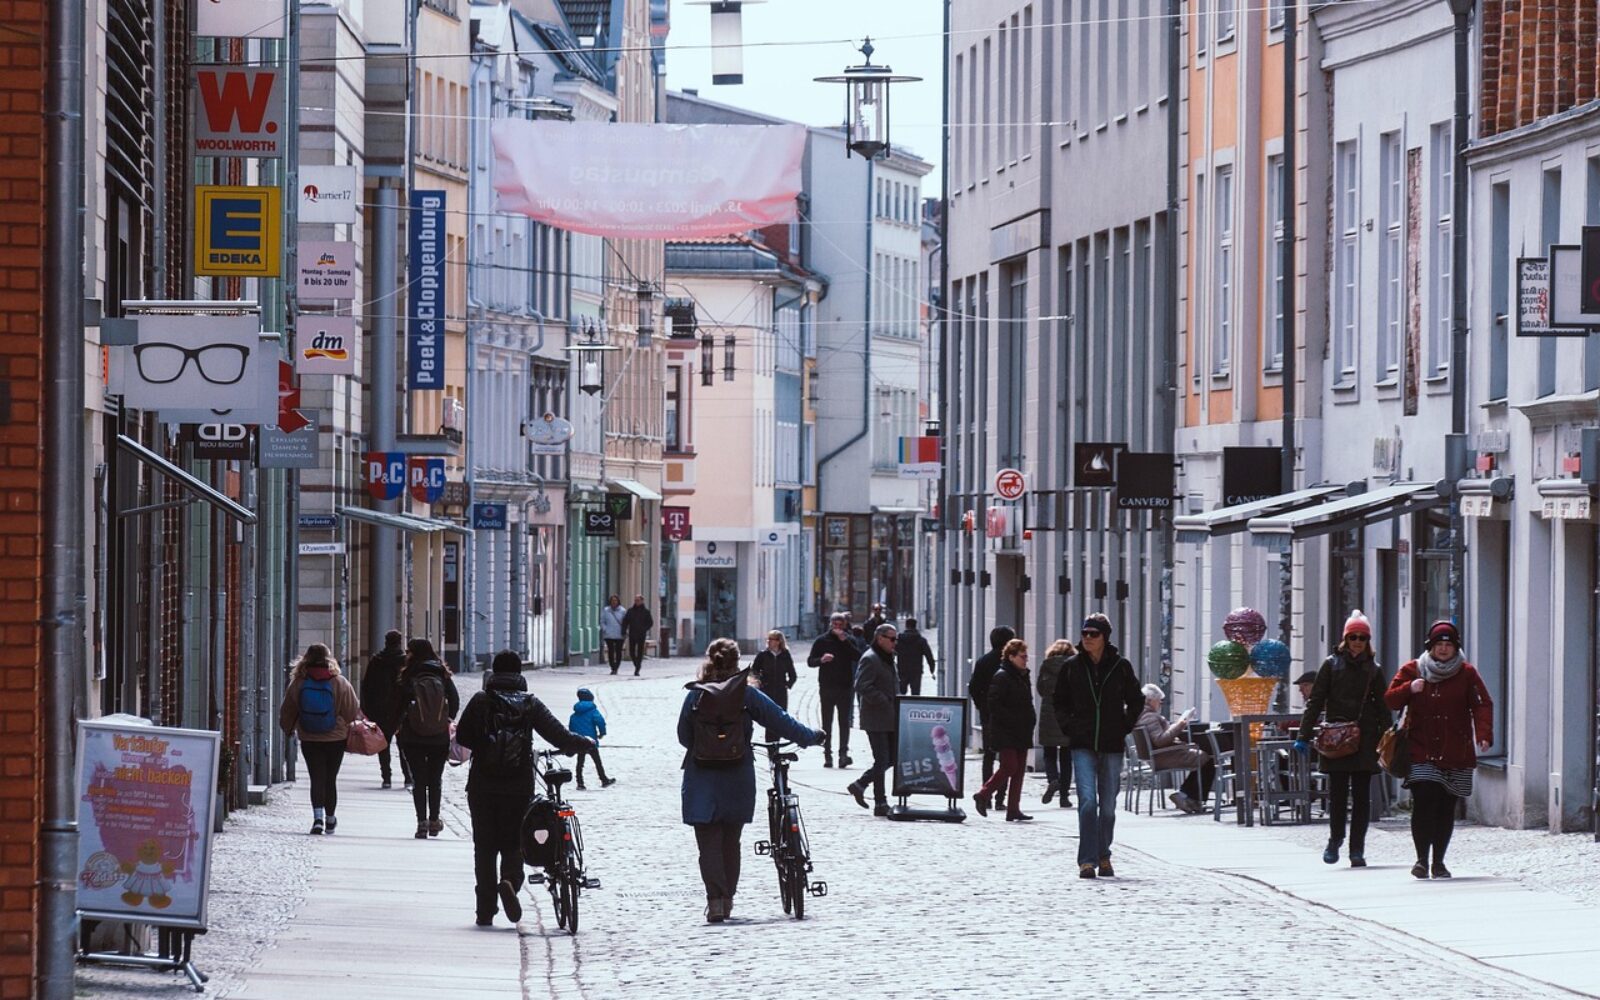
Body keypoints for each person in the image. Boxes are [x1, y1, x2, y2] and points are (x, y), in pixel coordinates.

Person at [679, 638, 824, 923]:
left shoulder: (695, 695)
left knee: (708, 844)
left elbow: (684, 737)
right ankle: (728, 899)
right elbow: (780, 721)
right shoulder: (745, 694)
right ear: (736, 662)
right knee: (731, 841)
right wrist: (810, 737)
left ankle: (715, 902)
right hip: (737, 774)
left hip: (701, 777)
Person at [454, 651, 593, 927]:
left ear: (493, 672)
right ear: (520, 674)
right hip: (518, 787)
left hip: (483, 786)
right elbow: (560, 736)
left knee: (484, 847)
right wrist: (584, 743)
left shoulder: (481, 701)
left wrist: (485, 742)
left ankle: (485, 910)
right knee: (513, 842)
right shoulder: (530, 704)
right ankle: (510, 882)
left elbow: (463, 738)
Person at [1385, 620, 1493, 880]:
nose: (1443, 650)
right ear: (1430, 647)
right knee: (1424, 802)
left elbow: (1482, 704)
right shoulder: (1413, 669)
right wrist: (1409, 688)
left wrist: (1484, 734)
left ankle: (1439, 861)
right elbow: (1390, 698)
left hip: (1456, 749)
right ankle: (1421, 859)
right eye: (1439, 645)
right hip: (1421, 748)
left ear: (1456, 648)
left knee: (1446, 806)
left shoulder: (1467, 673)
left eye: (1448, 645)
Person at [1293, 611, 1391, 867]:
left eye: (1362, 637)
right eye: (1353, 637)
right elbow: (1315, 701)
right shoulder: (1331, 664)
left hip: (1365, 738)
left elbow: (1383, 706)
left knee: (1361, 797)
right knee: (1336, 795)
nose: (1357, 642)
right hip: (1335, 738)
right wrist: (1304, 735)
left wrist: (1389, 739)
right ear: (1345, 639)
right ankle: (1335, 840)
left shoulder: (1374, 669)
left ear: (1367, 640)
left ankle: (1356, 849)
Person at [1054, 613, 1143, 879]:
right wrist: (1069, 727)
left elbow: (1136, 700)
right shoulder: (1071, 666)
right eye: (1085, 634)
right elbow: (1058, 702)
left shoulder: (1120, 666)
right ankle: (1087, 861)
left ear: (1105, 637)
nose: (1088, 638)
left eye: (1094, 634)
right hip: (1081, 743)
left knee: (1107, 807)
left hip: (1111, 743)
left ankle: (1104, 854)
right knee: (1087, 802)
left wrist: (1123, 725)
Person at [279, 643, 360, 835]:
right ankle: (331, 819)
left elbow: (288, 709)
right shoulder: (339, 682)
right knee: (330, 779)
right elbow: (351, 710)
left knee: (316, 777)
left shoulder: (299, 682)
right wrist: (343, 723)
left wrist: (288, 728)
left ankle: (317, 819)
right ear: (329, 658)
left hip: (309, 736)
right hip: (335, 738)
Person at [397, 638, 461, 839]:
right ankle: (434, 820)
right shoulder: (441, 673)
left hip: (413, 736)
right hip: (438, 736)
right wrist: (446, 719)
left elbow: (399, 702)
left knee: (419, 780)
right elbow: (455, 699)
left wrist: (400, 724)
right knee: (435, 779)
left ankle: (421, 823)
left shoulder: (409, 674)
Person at [972, 638, 1038, 821]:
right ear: (1011, 657)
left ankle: (1013, 809)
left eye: (1026, 657)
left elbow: (1028, 701)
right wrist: (1013, 720)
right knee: (1010, 766)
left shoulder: (1023, 675)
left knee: (1019, 771)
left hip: (1022, 729)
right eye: (1022, 657)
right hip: (1006, 730)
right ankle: (983, 794)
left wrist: (1031, 719)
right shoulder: (1002, 676)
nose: (1026, 660)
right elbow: (994, 704)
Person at [847, 624, 900, 817]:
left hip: (890, 717)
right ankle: (880, 802)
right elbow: (861, 685)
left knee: (892, 758)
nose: (895, 643)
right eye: (892, 639)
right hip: (876, 718)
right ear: (880, 639)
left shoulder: (886, 658)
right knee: (882, 759)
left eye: (896, 639)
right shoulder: (871, 659)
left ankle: (860, 784)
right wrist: (884, 700)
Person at [1136, 684, 1213, 814]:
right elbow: (1160, 740)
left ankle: (1189, 796)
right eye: (1159, 701)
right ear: (1150, 700)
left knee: (1203, 757)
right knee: (1208, 758)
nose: (1160, 704)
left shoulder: (1142, 715)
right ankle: (1188, 796)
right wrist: (1179, 726)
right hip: (1164, 756)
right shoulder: (1150, 717)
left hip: (1160, 755)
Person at [806, 613, 860, 768]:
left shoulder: (849, 639)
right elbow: (810, 661)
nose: (837, 628)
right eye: (835, 624)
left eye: (840, 625)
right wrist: (821, 660)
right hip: (827, 686)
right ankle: (827, 754)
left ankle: (843, 754)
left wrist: (845, 642)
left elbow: (857, 656)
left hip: (845, 686)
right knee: (826, 722)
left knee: (844, 722)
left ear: (844, 625)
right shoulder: (822, 640)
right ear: (830, 624)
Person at [360, 628, 411, 790]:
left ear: (386, 642)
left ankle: (386, 777)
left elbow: (366, 686)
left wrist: (367, 710)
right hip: (401, 710)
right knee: (404, 746)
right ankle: (408, 777)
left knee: (383, 745)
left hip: (380, 710)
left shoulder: (377, 660)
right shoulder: (405, 662)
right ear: (399, 642)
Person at [968, 627, 1015, 786]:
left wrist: (981, 704)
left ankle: (985, 792)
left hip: (988, 714)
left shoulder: (983, 661)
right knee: (1005, 757)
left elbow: (974, 687)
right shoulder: (1011, 661)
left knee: (988, 755)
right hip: (1008, 714)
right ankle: (1000, 797)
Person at [1035, 639, 1075, 808]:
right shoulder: (1074, 667)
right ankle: (1064, 797)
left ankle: (1053, 780)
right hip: (1067, 715)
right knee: (1066, 757)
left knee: (1049, 754)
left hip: (1048, 715)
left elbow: (1040, 689)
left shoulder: (1046, 666)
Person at [752, 630, 797, 743]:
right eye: (769, 639)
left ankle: (776, 746)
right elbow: (753, 671)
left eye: (772, 639)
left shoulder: (785, 655)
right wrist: (759, 681)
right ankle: (771, 749)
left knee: (780, 719)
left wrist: (788, 684)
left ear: (778, 641)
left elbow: (792, 674)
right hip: (767, 691)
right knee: (769, 720)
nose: (769, 641)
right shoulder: (763, 655)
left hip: (781, 692)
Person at [568, 687, 616, 789]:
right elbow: (600, 721)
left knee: (580, 762)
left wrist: (573, 740)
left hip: (579, 740)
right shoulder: (593, 711)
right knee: (597, 762)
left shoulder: (575, 714)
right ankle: (603, 779)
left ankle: (580, 783)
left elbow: (571, 727)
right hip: (591, 741)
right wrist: (602, 733)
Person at [896, 618, 937, 696]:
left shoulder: (899, 640)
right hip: (916, 671)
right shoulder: (921, 640)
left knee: (901, 694)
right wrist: (932, 669)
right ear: (915, 626)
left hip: (902, 669)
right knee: (915, 695)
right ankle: (913, 708)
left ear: (906, 626)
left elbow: (891, 651)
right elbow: (929, 656)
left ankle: (900, 707)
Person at [622, 595, 654, 676]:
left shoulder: (646, 612)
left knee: (640, 651)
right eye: (635, 600)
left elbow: (650, 623)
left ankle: (637, 669)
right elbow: (625, 621)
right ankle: (636, 664)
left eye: (638, 600)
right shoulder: (630, 611)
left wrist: (644, 629)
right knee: (631, 651)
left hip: (641, 634)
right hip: (632, 633)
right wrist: (624, 630)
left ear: (642, 601)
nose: (636, 602)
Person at [600, 595, 626, 675]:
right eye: (612, 600)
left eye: (615, 600)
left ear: (618, 601)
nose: (614, 602)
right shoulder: (606, 610)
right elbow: (602, 621)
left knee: (618, 652)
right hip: (609, 634)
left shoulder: (623, 611)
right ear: (610, 601)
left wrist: (624, 631)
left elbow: (625, 622)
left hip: (619, 635)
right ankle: (612, 666)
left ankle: (616, 667)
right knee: (610, 651)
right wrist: (605, 629)